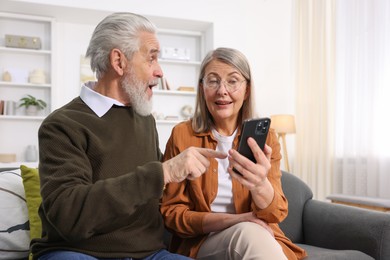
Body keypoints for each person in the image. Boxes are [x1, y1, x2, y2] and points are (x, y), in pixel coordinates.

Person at [31, 12, 226, 260]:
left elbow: (162, 194)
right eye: (152, 58)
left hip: (149, 255)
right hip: (78, 252)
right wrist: (163, 172)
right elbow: (67, 214)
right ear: (119, 62)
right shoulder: (61, 125)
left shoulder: (145, 120)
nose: (160, 72)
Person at [160, 47, 307, 260]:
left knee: (252, 234)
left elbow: (275, 213)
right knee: (249, 232)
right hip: (202, 242)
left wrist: (259, 185)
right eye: (213, 81)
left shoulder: (267, 140)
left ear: (247, 89)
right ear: (202, 88)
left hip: (258, 237)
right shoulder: (182, 135)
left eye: (233, 81)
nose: (222, 90)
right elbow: (172, 215)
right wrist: (236, 220)